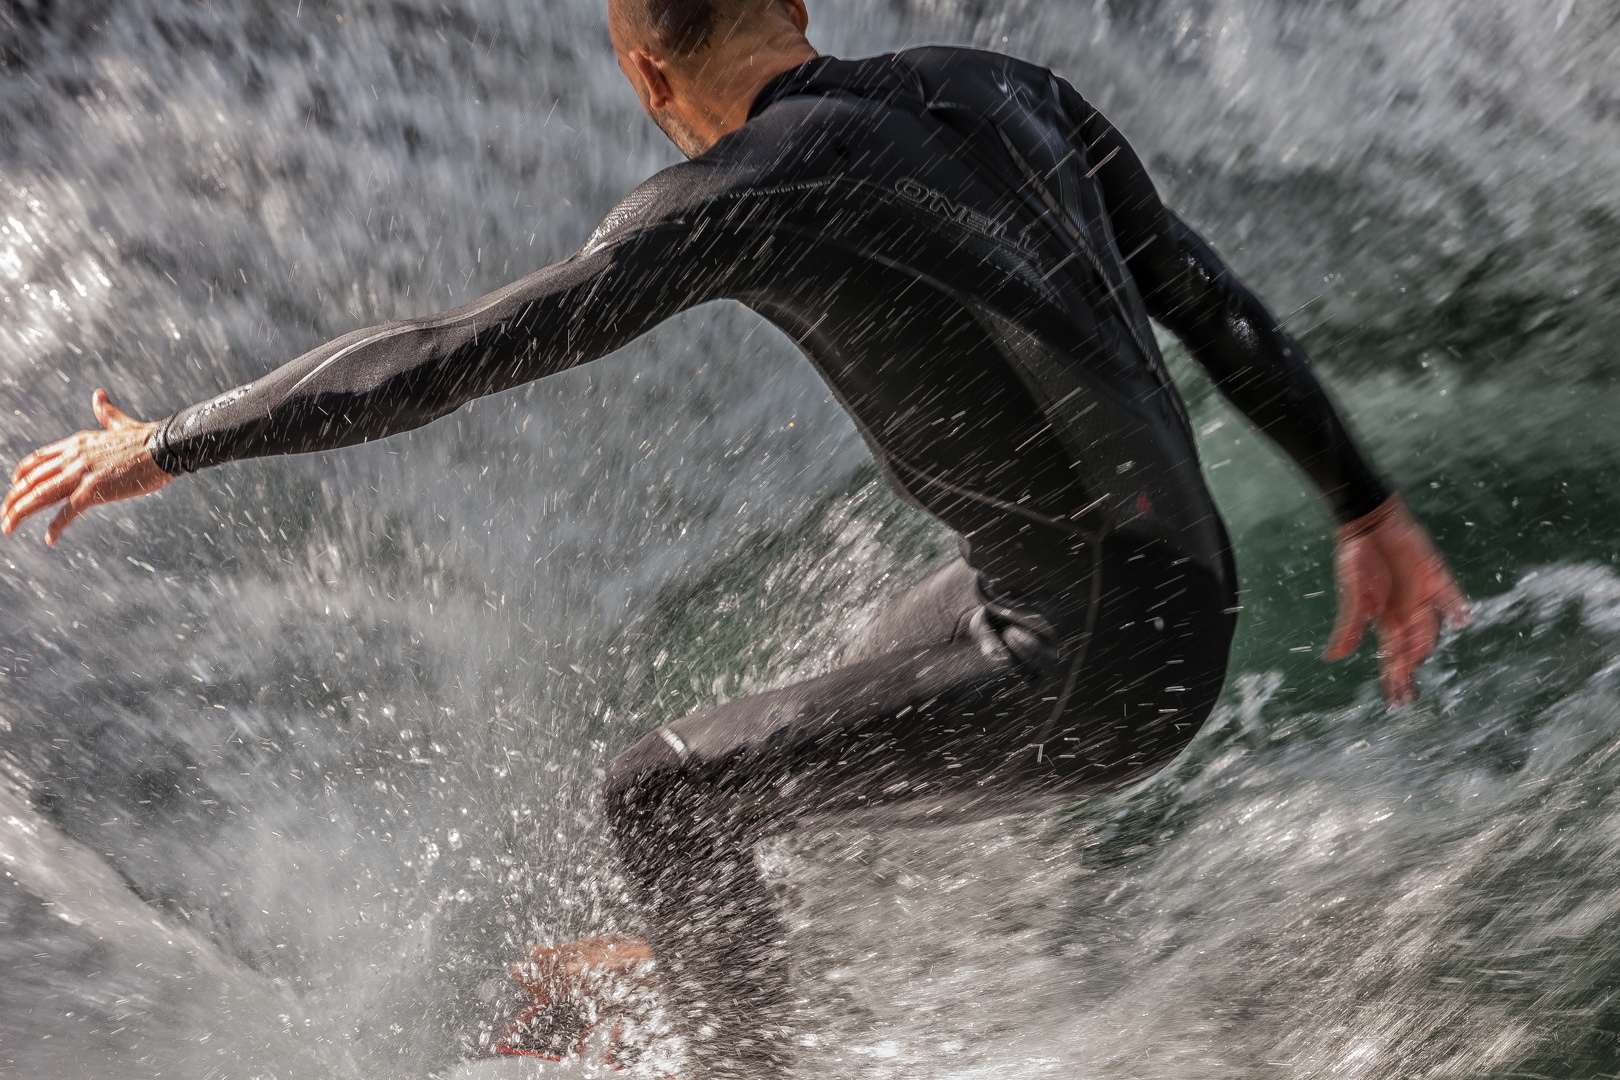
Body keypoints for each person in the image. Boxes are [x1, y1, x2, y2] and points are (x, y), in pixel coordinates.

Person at [2, 0, 1472, 1075]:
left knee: (657, 795)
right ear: (798, 13)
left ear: (650, 78)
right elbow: (1207, 300)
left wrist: (167, 442)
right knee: (797, 731)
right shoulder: (1008, 86)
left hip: (1087, 664)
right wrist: (1367, 505)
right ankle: (697, 974)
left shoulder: (734, 197)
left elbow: (443, 354)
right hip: (1159, 592)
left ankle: (740, 1068)